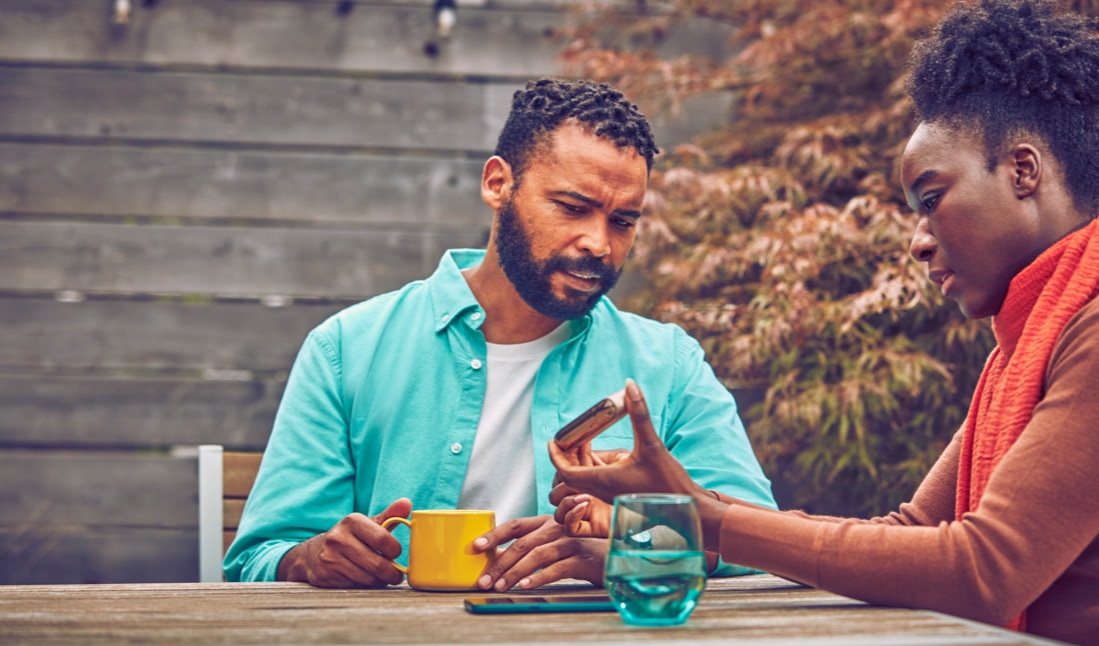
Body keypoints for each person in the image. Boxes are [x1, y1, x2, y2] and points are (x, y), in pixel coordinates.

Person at [548, 1, 1099, 643]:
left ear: (1022, 172)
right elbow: (910, 538)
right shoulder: (1028, 343)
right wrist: (679, 520)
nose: (919, 241)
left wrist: (702, 518)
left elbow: (981, 570)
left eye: (931, 199)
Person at [224, 78, 777, 591]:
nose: (598, 243)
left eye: (623, 221)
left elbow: (756, 542)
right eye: (572, 207)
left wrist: (620, 551)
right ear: (498, 184)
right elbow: (259, 557)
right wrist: (313, 557)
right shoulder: (347, 349)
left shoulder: (668, 364)